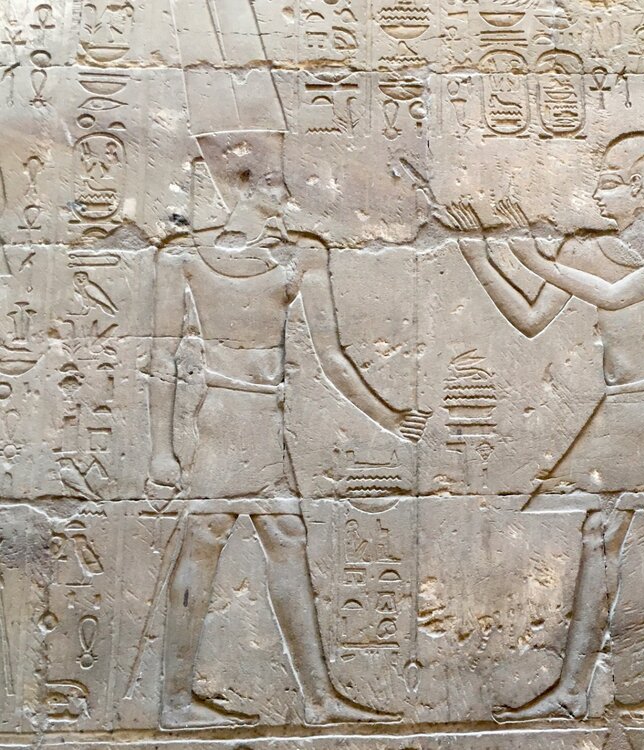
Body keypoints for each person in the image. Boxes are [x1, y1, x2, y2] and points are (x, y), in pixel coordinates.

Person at [149, 0, 428, 729]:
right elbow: (160, 359)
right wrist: (160, 450)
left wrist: (388, 416)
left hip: (264, 424)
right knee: (208, 543)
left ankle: (316, 697)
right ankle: (178, 702)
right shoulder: (183, 259)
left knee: (281, 539)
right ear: (241, 186)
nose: (287, 194)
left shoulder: (302, 255)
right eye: (275, 183)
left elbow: (330, 355)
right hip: (222, 421)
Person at [439, 132, 644, 719]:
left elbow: (617, 298)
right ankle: (578, 689)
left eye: (610, 183)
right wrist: (481, 257)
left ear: (640, 188)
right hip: (620, 405)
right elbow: (530, 318)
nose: (597, 194)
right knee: (612, 534)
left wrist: (535, 259)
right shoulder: (586, 248)